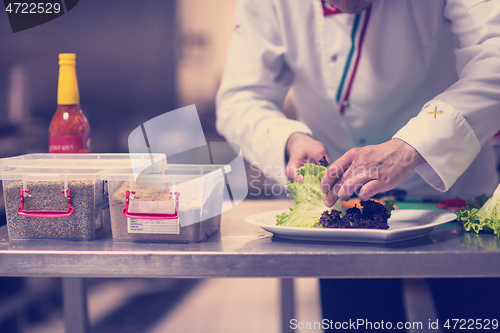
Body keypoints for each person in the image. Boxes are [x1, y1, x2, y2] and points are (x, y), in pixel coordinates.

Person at [216, 0, 500, 328]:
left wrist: (412, 146)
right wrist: (288, 139)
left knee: (476, 317)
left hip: (454, 189)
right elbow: (240, 97)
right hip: (341, 213)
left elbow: (495, 59)